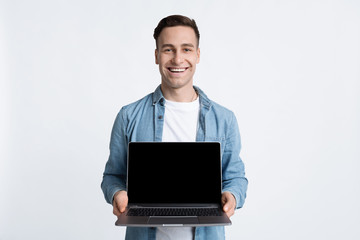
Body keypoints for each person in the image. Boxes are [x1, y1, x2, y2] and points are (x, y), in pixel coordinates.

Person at [101, 15, 248, 240]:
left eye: (186, 49)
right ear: (157, 56)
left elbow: (235, 177)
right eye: (168, 49)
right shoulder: (129, 116)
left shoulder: (224, 119)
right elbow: (113, 176)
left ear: (197, 55)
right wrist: (117, 194)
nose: (178, 59)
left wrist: (232, 195)